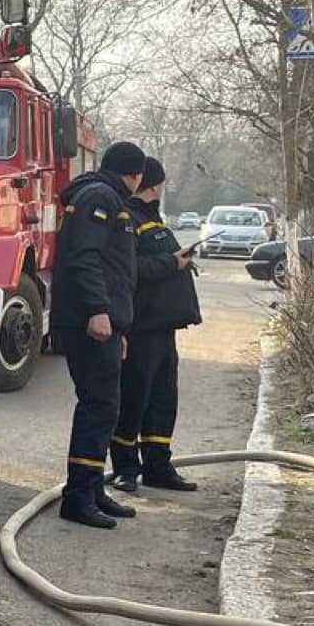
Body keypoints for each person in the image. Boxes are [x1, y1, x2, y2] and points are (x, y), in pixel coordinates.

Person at [50, 139, 147, 528]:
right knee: (98, 405)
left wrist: (117, 324)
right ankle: (78, 497)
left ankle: (91, 489)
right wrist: (98, 311)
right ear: (136, 174)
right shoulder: (100, 198)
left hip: (104, 322)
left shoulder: (104, 196)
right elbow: (85, 258)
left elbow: (111, 267)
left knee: (105, 406)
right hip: (89, 321)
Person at [112, 157, 202, 493]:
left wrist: (180, 264)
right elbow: (131, 269)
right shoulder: (128, 220)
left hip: (163, 329)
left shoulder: (154, 221)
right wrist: (171, 263)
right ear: (154, 184)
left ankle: (158, 466)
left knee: (163, 399)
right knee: (134, 398)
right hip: (139, 327)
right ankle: (125, 468)